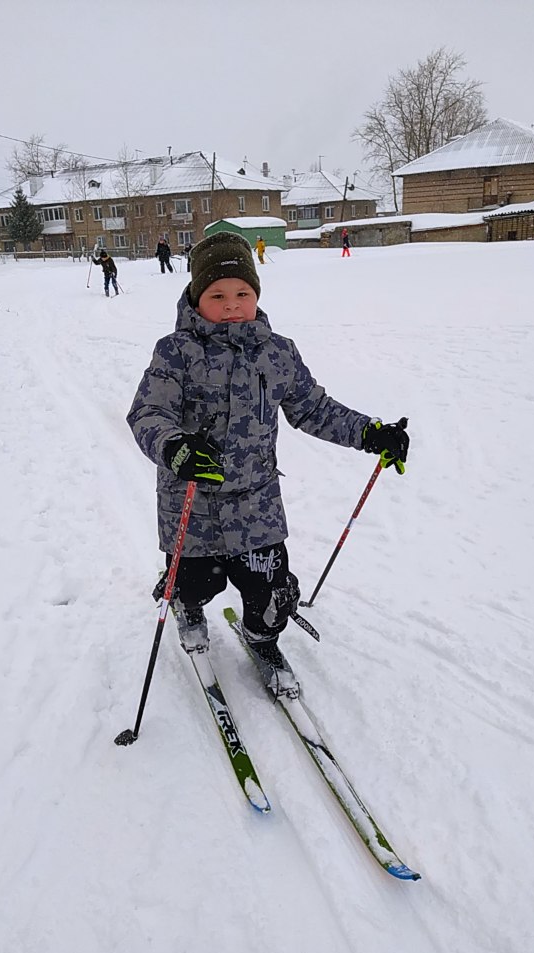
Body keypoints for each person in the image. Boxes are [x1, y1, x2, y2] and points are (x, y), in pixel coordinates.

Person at [127, 232, 409, 699]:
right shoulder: (175, 352)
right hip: (191, 505)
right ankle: (187, 607)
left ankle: (263, 640)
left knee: (271, 591)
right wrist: (174, 446)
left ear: (257, 296)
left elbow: (314, 409)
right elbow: (147, 414)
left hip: (256, 505)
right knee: (193, 584)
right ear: (198, 299)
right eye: (218, 296)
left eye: (243, 294)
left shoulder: (278, 353)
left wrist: (368, 432)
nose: (232, 305)